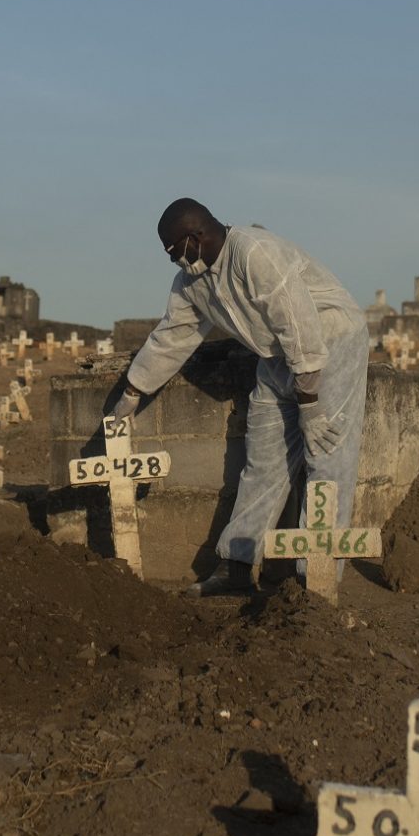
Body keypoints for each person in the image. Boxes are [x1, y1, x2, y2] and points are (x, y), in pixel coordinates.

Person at [111, 198, 368, 596]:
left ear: (195, 237)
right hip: (276, 357)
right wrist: (133, 391)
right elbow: (172, 336)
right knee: (263, 459)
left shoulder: (254, 252)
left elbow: (298, 324)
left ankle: (313, 579)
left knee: (327, 455)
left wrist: (311, 405)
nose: (173, 260)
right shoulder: (191, 282)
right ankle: (237, 563)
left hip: (329, 344)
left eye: (173, 250)